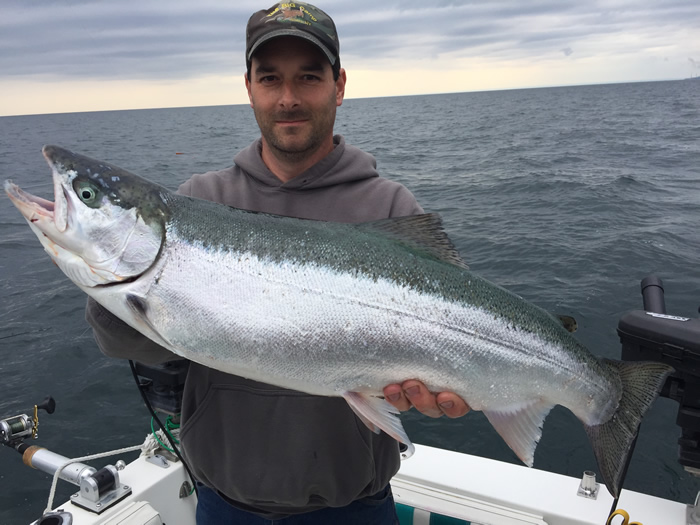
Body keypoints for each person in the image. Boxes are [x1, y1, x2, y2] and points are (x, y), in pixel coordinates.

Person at [86, 3, 469, 524]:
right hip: (224, 504)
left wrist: (461, 386)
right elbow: (124, 342)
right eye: (271, 78)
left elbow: (458, 339)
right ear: (249, 87)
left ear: (339, 85)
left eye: (308, 77)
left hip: (353, 507)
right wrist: (110, 272)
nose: (288, 98)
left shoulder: (390, 208)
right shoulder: (200, 200)